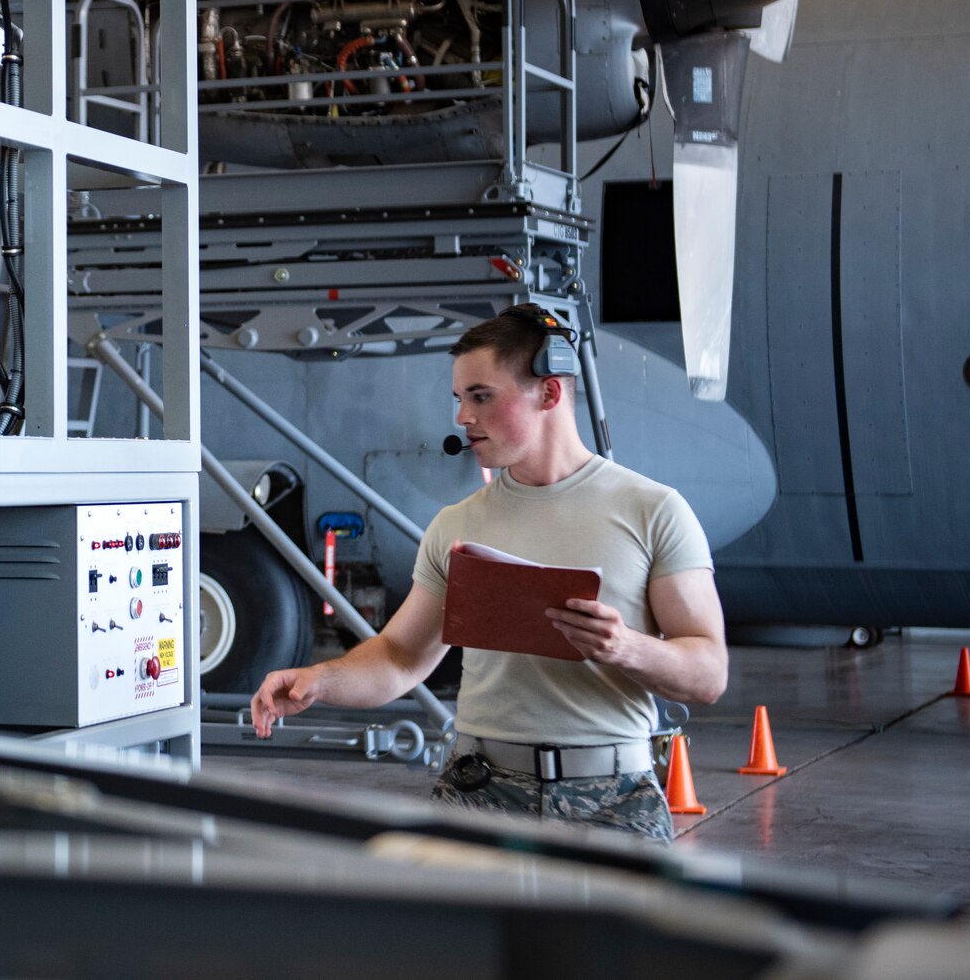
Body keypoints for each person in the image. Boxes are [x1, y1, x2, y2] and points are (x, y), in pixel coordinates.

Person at [249, 306, 728, 842]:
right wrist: (322, 679)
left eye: (480, 396)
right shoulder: (457, 525)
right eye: (459, 399)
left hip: (612, 801)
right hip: (479, 793)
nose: (461, 417)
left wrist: (624, 648)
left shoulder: (654, 511)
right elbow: (401, 657)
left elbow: (709, 674)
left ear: (548, 394)